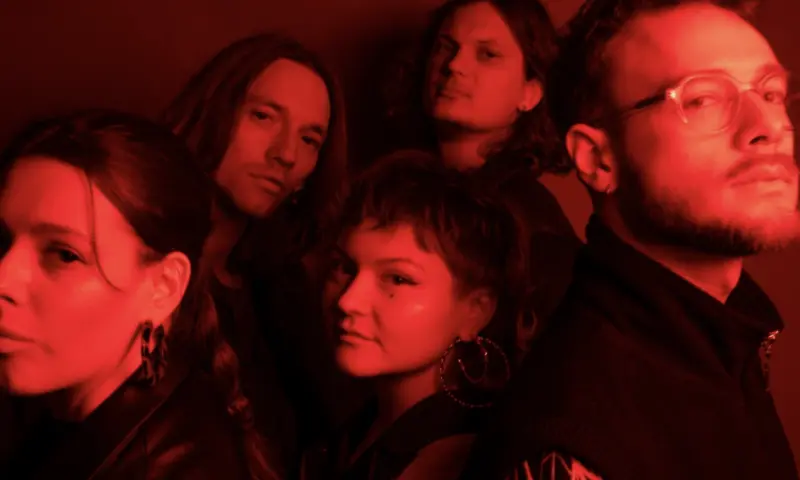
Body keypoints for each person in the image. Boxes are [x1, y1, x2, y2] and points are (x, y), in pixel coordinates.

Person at [461, 0, 800, 479]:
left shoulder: (729, 339)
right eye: (703, 99)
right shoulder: (572, 435)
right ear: (598, 159)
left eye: (770, 93)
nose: (767, 128)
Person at [0, 110, 279, 479]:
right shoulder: (56, 413)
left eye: (64, 255)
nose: (3, 279)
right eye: (1, 241)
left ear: (163, 287)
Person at [162, 33, 352, 465]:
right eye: (264, 117)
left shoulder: (280, 292)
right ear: (213, 110)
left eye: (309, 140)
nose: (286, 154)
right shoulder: (136, 266)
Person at [300, 150, 528, 479]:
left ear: (476, 310)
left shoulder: (461, 458)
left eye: (397, 279)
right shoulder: (362, 426)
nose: (348, 301)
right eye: (344, 267)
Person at [382, 0, 581, 349]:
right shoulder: (392, 191)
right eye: (445, 47)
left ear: (530, 92)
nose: (454, 65)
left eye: (487, 54)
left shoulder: (528, 223)